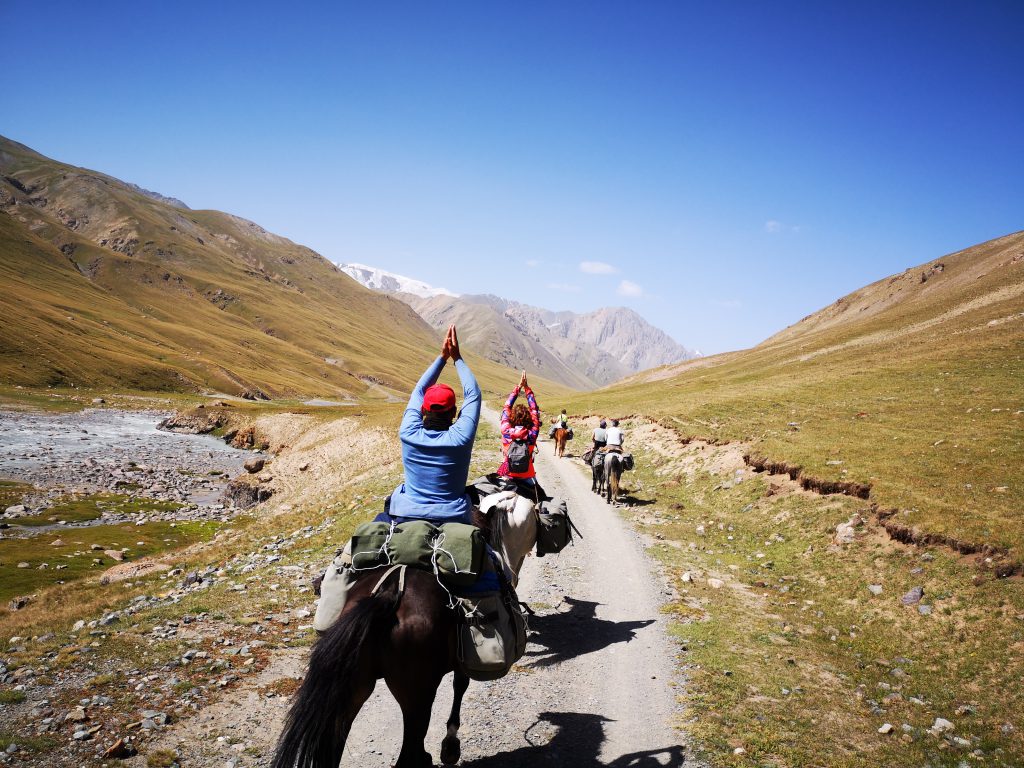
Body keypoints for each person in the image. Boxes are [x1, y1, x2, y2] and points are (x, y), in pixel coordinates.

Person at [388, 324, 481, 524]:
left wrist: (442, 358)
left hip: (405, 514)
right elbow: (473, 394)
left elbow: (419, 390)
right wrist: (457, 358)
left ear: (423, 410)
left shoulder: (408, 433)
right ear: (455, 412)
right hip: (453, 516)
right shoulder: (460, 438)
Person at [499, 370, 541, 482]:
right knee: (541, 498)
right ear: (529, 418)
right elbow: (534, 410)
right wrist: (527, 388)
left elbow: (507, 407)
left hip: (507, 474)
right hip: (528, 475)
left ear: (511, 418)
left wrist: (518, 387)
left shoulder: (506, 431)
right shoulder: (532, 433)